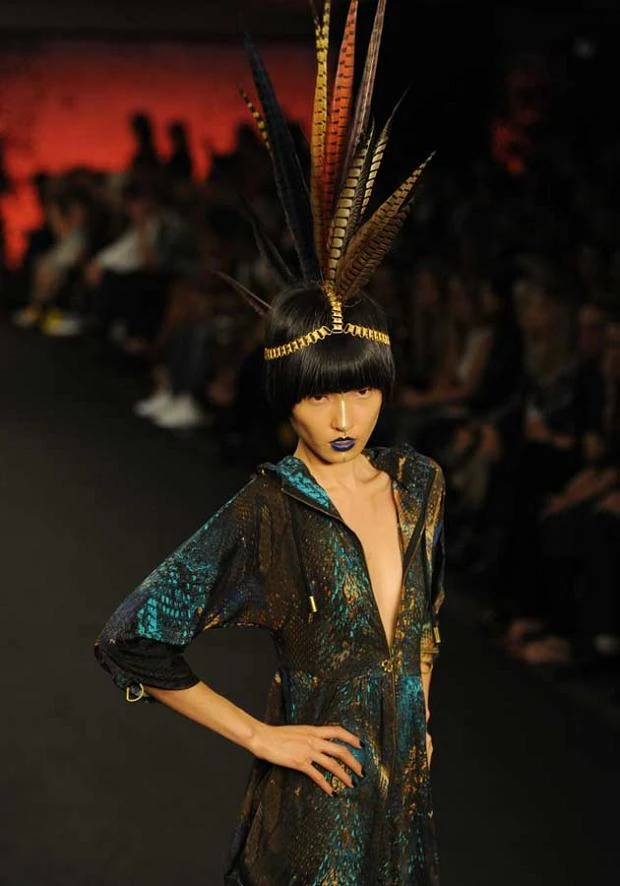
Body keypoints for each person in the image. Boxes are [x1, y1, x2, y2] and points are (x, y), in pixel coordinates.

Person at [94, 3, 446, 883]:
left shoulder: (421, 485)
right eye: (319, 397)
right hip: (317, 815)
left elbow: (423, 632)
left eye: (362, 391)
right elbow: (133, 635)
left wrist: (419, 725)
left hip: (405, 809)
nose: (344, 418)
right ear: (287, 400)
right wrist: (262, 736)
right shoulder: (271, 505)